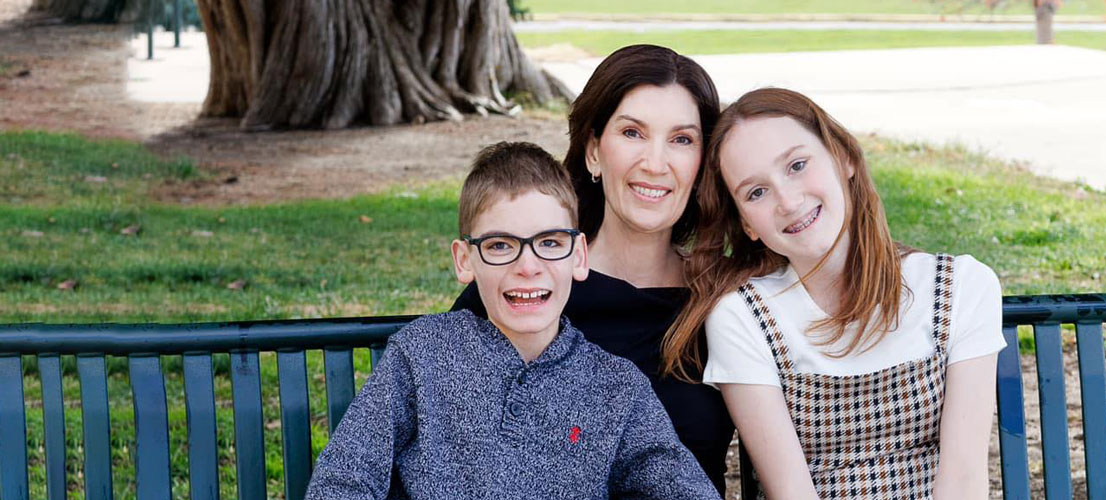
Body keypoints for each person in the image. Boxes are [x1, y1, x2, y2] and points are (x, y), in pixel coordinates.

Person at [307, 142, 718, 500]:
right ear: (464, 260)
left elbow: (681, 487)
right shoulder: (421, 354)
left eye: (549, 243)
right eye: (500, 245)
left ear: (578, 256)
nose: (528, 266)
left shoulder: (616, 388)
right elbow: (345, 478)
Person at [662, 88, 1004, 499]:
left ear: (844, 159)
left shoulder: (959, 286)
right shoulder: (744, 317)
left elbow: (964, 481)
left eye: (797, 165)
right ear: (747, 225)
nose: (788, 201)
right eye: (756, 192)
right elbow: (790, 492)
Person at [450, 44, 735, 493]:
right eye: (632, 133)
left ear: (702, 164)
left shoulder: (724, 301)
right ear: (593, 151)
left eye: (681, 139)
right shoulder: (527, 284)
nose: (655, 163)